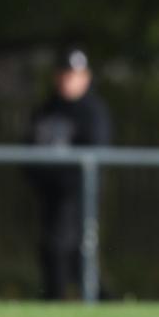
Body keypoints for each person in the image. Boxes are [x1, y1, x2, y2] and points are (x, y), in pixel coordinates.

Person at [26, 47, 112, 300]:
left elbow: (96, 154)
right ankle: (64, 300)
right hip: (49, 196)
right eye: (64, 74)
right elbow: (28, 149)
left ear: (85, 77)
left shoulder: (93, 111)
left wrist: (60, 179)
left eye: (74, 74)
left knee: (69, 251)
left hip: (78, 196)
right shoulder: (46, 109)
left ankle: (86, 300)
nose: (68, 80)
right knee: (56, 251)